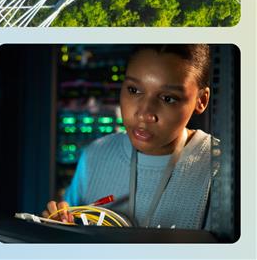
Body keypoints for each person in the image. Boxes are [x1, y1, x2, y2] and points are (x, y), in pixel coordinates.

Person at [43, 44, 214, 229]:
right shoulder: (95, 156)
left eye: (168, 98)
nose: (143, 114)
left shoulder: (220, 168)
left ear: (201, 100)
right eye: (134, 90)